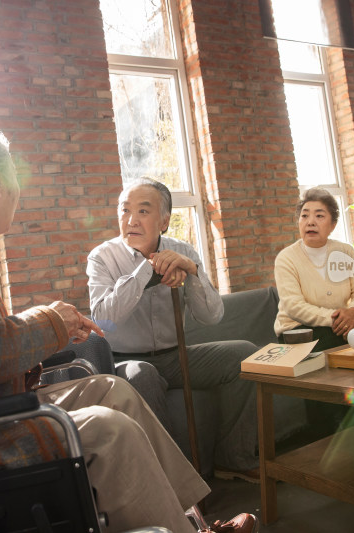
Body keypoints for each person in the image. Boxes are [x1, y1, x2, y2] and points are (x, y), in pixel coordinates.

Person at [0, 125, 255, 533]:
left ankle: (190, 522)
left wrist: (47, 322)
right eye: (15, 177)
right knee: (109, 431)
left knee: (113, 390)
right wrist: (50, 322)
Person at [87, 177, 260, 483]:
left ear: (164, 221)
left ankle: (234, 458)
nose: (131, 220)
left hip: (174, 356)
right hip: (124, 361)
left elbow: (211, 317)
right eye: (124, 211)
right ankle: (175, 483)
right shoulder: (102, 257)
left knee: (244, 355)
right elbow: (103, 320)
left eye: (142, 211)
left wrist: (192, 272)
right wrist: (145, 271)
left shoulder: (182, 251)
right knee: (144, 375)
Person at [273, 187, 354, 351]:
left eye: (319, 216)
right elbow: (294, 306)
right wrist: (338, 320)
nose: (310, 222)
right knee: (344, 341)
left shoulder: (345, 252)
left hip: (339, 325)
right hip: (298, 331)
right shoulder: (286, 258)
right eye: (304, 216)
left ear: (333, 225)